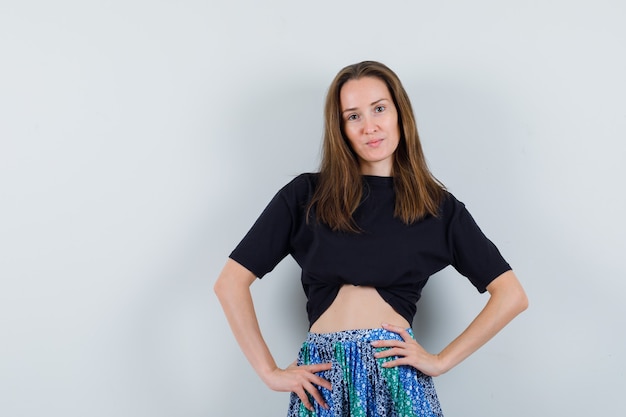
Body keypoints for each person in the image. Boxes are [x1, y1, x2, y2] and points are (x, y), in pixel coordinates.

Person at [214, 60, 528, 417]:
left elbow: (511, 295)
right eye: (353, 116)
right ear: (341, 129)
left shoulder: (437, 207)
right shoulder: (305, 195)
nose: (370, 127)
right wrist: (269, 373)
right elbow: (230, 283)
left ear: (399, 113)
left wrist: (441, 361)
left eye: (379, 109)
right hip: (323, 382)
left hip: (398, 380)